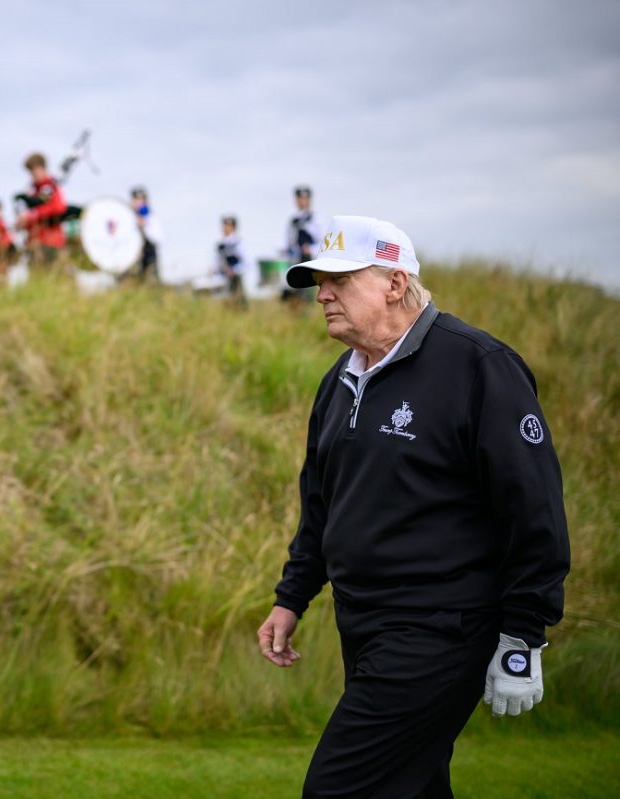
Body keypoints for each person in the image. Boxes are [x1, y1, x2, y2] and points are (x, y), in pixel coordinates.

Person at [256, 215, 570, 798]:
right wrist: (291, 596)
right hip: (363, 624)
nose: (322, 295)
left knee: (338, 789)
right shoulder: (339, 381)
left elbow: (533, 509)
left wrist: (523, 634)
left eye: (340, 280)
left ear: (395, 283)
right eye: (319, 283)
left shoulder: (478, 366)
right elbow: (321, 504)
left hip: (442, 627)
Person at [15, 152, 67, 268]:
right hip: (34, 243)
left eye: (35, 170)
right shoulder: (32, 192)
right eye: (30, 171)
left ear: (43, 168)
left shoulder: (50, 187)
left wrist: (33, 214)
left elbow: (58, 208)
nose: (33, 174)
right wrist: (22, 222)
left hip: (51, 243)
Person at [283, 185, 323, 305]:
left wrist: (310, 249)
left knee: (307, 288)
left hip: (308, 258)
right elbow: (289, 240)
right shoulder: (293, 219)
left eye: (304, 198)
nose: (302, 201)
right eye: (299, 198)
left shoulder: (315, 218)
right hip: (295, 258)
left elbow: (321, 240)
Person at [215, 215, 249, 307]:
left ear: (233, 227)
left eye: (228, 225)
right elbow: (218, 262)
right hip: (223, 279)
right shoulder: (220, 245)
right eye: (224, 225)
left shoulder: (238, 243)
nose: (225, 228)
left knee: (238, 304)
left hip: (236, 279)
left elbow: (246, 263)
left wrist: (234, 270)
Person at [130, 187, 163, 281]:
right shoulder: (129, 216)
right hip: (134, 256)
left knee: (151, 279)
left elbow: (157, 237)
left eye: (141, 200)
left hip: (149, 252)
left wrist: (144, 225)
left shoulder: (150, 216)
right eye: (136, 199)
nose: (139, 203)